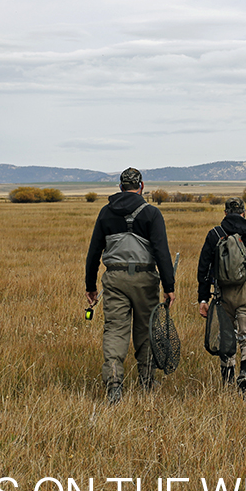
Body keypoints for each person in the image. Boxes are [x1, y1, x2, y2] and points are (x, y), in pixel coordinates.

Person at [85, 167, 175, 404]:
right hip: (145, 280)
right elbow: (161, 252)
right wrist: (169, 285)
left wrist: (90, 285)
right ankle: (146, 381)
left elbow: (94, 252)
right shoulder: (152, 214)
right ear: (141, 186)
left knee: (115, 330)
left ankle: (114, 383)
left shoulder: (106, 213)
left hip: (114, 279)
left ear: (120, 186)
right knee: (146, 330)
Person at [196, 196, 246, 397]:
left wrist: (203, 299)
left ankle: (228, 383)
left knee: (227, 339)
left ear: (225, 213)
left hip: (223, 296)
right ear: (244, 212)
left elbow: (203, 270)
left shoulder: (214, 234)